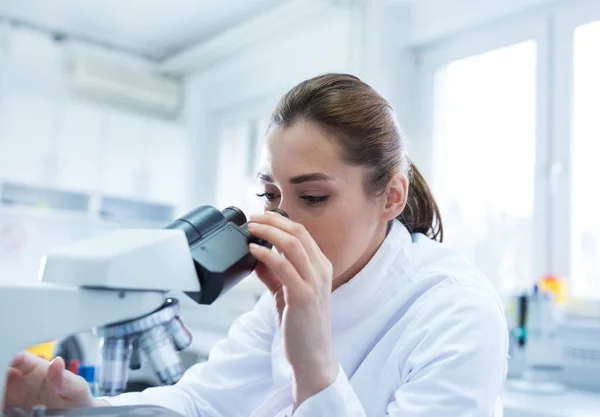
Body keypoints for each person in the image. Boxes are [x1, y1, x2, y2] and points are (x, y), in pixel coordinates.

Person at [4, 73, 508, 416]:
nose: (281, 219)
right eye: (270, 196)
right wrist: (88, 406)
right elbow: (200, 403)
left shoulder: (456, 311)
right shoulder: (283, 298)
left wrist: (314, 365)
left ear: (391, 197)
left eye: (313, 196)